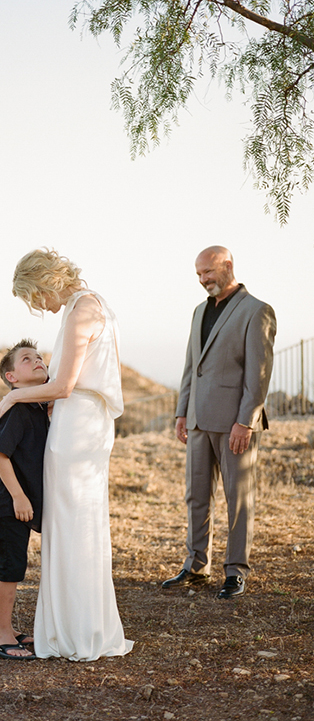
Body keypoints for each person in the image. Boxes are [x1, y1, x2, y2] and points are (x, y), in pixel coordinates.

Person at [0, 248, 134, 662]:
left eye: (34, 296)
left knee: (74, 528)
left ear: (46, 281)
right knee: (76, 526)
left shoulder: (81, 309)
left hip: (78, 429)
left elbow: (63, 385)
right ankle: (74, 626)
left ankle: (74, 631)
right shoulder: (93, 304)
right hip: (82, 423)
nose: (39, 307)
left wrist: (16, 395)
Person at [163, 246, 276, 599]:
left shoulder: (257, 311)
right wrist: (182, 412)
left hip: (234, 424)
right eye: (199, 274)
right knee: (196, 496)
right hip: (197, 421)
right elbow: (190, 367)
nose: (203, 280)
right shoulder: (199, 311)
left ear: (228, 265)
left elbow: (259, 374)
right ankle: (195, 566)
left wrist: (246, 421)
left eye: (208, 272)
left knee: (237, 499)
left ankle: (236, 571)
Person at [0, 340, 50, 661]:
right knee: (11, 567)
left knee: (17, 566)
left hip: (19, 499)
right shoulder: (16, 409)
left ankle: (9, 628)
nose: (37, 361)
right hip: (8, 499)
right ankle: (0, 634)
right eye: (27, 359)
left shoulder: (39, 406)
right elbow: (0, 455)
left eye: (39, 357)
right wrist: (19, 497)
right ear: (12, 377)